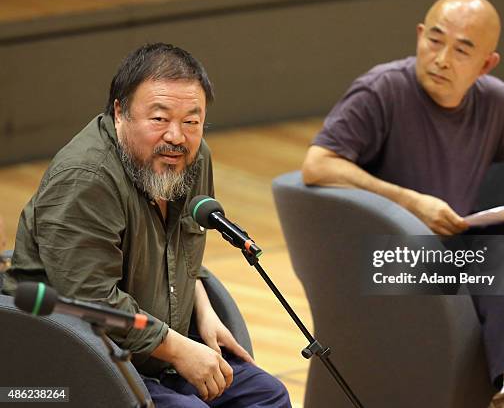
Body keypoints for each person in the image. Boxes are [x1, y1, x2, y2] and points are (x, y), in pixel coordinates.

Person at [302, 0, 504, 408]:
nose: (442, 58)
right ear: (418, 36)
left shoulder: (495, 101)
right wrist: (410, 203)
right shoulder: (382, 91)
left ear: (486, 64)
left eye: (462, 50)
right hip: (387, 263)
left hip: (454, 260)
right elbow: (317, 165)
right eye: (434, 40)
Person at [2, 43, 291, 408]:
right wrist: (176, 347)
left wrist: (203, 309)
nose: (176, 136)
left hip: (155, 346)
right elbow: (90, 300)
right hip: (79, 355)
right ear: (120, 112)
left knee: (265, 395)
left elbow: (180, 249)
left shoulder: (193, 158)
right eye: (159, 119)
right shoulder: (85, 179)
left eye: (191, 121)